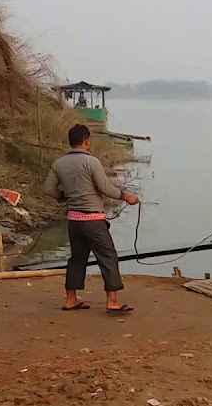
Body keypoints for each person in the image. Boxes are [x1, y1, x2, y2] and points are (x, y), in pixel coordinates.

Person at [43, 124, 140, 313]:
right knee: (108, 256)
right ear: (87, 141)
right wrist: (125, 196)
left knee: (77, 258)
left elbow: (48, 188)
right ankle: (112, 301)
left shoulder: (59, 164)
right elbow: (105, 187)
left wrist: (63, 196)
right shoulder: (91, 162)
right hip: (93, 220)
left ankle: (71, 299)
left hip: (74, 220)